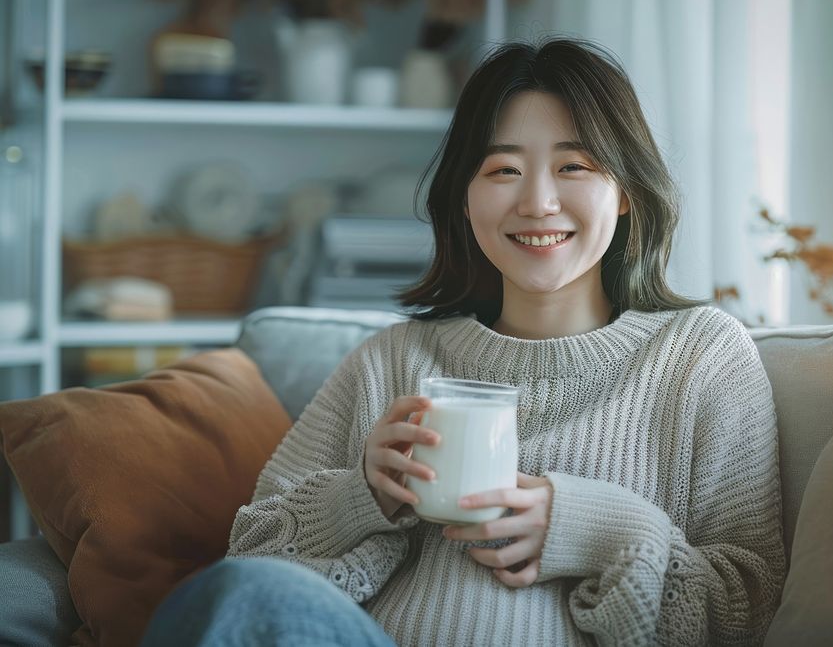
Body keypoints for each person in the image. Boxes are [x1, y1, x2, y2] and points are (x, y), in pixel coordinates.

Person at [141, 37, 785, 647]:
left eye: (574, 165)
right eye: (503, 168)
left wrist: (601, 529)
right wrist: (360, 498)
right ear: (465, 199)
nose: (537, 202)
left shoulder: (701, 355)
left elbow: (748, 611)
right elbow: (250, 567)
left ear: (624, 193)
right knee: (238, 592)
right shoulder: (392, 360)